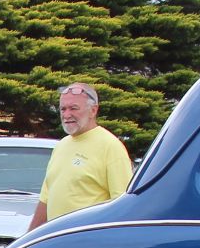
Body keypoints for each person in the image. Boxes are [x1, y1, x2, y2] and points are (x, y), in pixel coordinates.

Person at [27, 82, 132, 231]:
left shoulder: (110, 146)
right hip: (56, 242)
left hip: (88, 244)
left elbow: (123, 206)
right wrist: (28, 240)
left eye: (73, 108)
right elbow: (46, 199)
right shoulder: (61, 146)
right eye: (63, 109)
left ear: (93, 110)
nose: (67, 114)